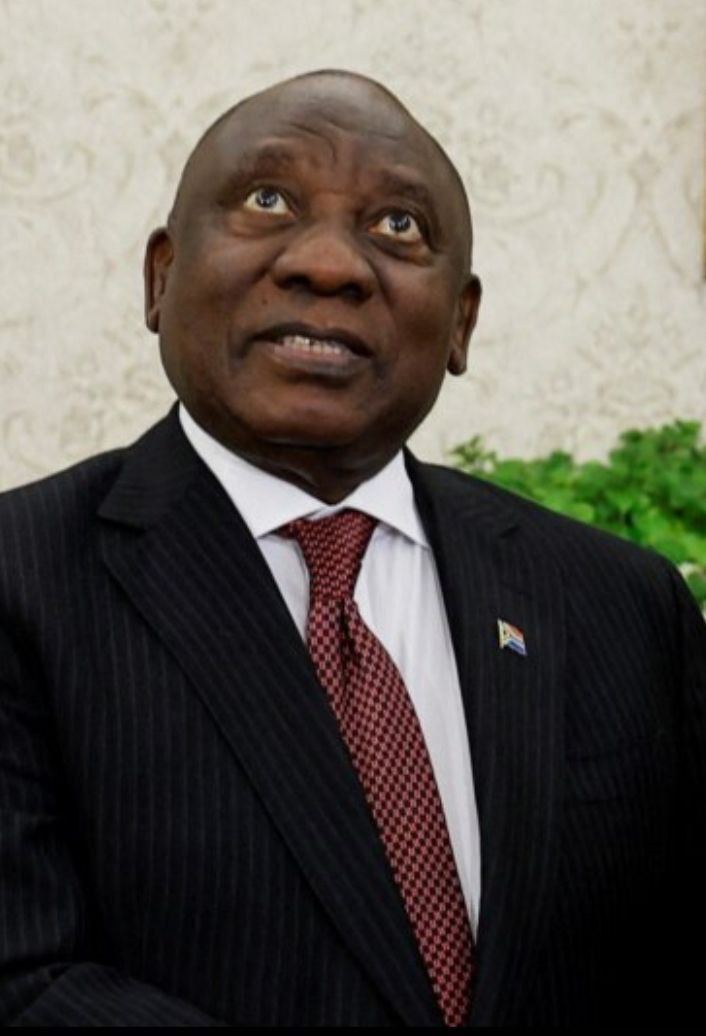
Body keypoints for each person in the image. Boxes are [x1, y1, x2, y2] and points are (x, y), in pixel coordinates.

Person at [0, 69, 704, 1028]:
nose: (330, 265)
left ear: (461, 323)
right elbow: (25, 981)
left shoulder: (622, 604)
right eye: (268, 201)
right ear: (161, 277)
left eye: (398, 226)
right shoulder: (23, 581)